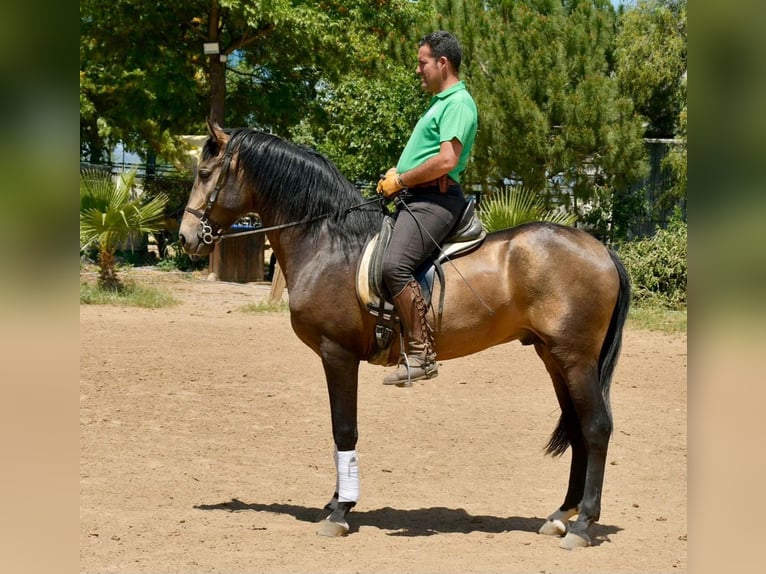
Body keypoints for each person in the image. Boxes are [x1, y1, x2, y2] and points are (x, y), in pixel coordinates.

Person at [377, 30, 478, 386]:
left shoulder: (458, 104)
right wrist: (398, 175)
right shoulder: (440, 103)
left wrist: (402, 181)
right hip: (418, 196)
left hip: (436, 200)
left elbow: (447, 159)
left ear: (442, 63)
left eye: (422, 63)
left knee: (394, 265)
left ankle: (421, 353)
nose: (418, 70)